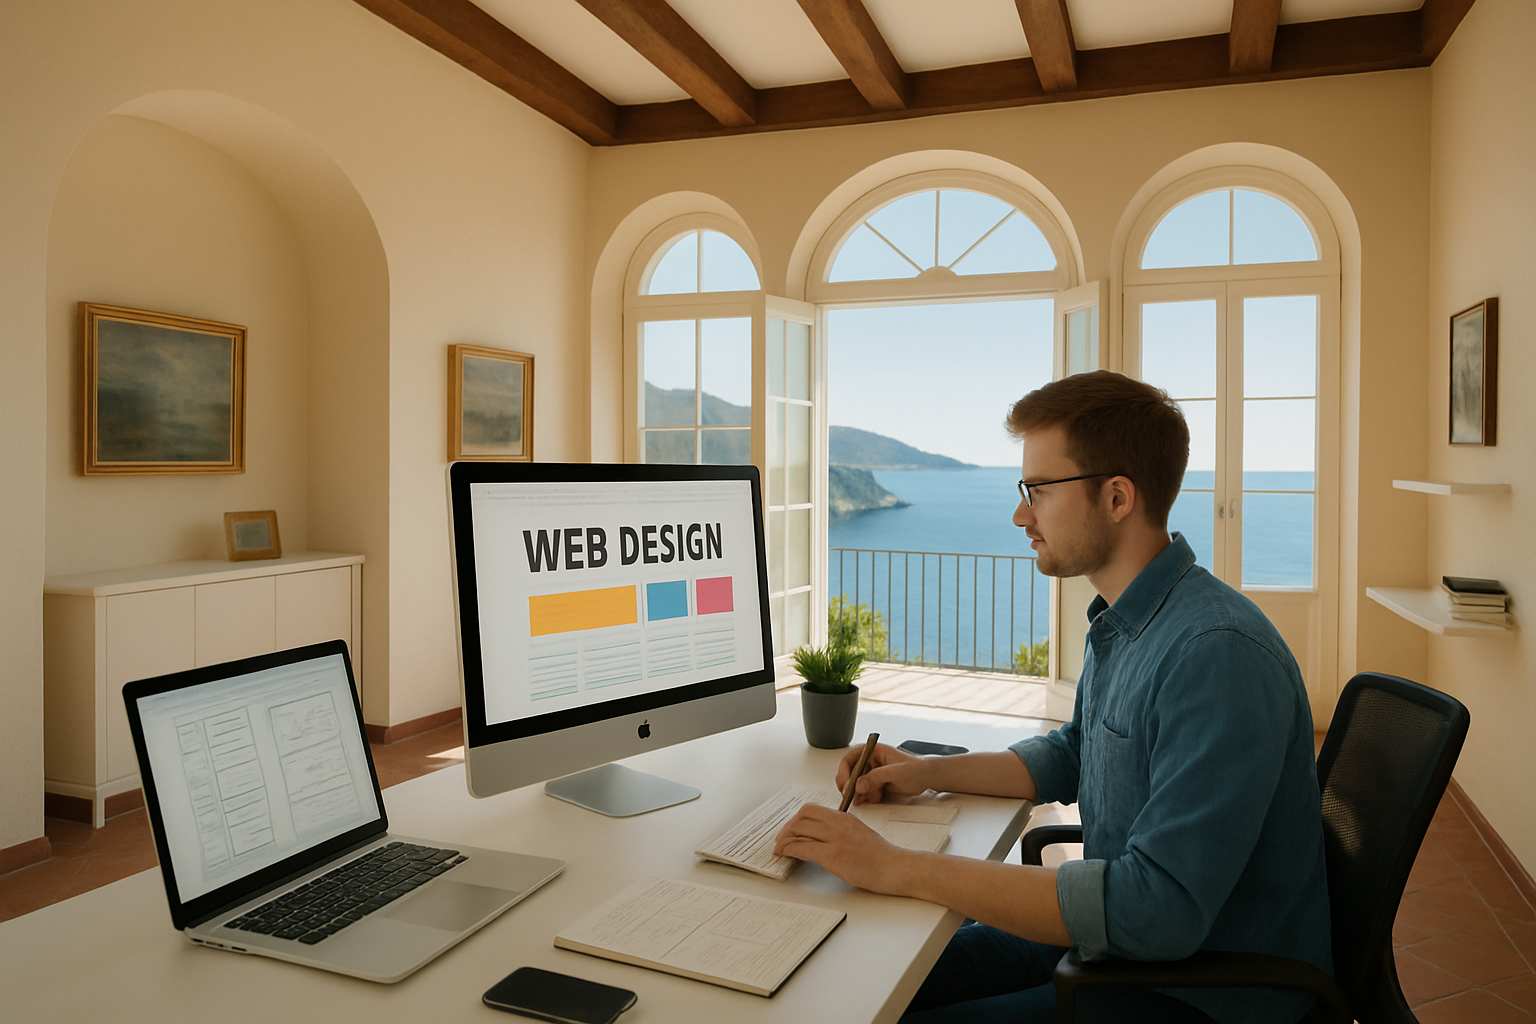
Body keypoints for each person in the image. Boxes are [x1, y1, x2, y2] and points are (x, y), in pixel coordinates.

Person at [774, 370, 1331, 1024]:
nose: (1021, 515)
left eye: (1038, 491)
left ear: (1117, 497)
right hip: (1115, 950)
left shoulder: (1216, 655)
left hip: (1196, 994)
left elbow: (1157, 911)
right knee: (863, 984)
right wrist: (923, 773)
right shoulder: (1129, 622)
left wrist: (894, 867)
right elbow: (1073, 753)